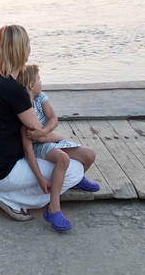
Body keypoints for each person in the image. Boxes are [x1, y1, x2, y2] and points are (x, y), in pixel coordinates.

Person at [0, 25, 83, 231]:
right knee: (74, 170)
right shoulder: (15, 90)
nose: (30, 47)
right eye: (28, 44)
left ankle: (4, 191)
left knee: (56, 166)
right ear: (20, 50)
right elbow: (40, 135)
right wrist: (58, 134)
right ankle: (12, 199)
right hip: (5, 172)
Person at [16, 64, 99, 205]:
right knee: (62, 157)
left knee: (89, 155)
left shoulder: (40, 97)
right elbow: (28, 147)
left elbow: (53, 119)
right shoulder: (23, 108)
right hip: (38, 146)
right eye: (39, 79)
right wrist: (39, 177)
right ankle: (54, 205)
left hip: (50, 138)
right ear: (31, 85)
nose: (41, 82)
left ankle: (76, 180)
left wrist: (44, 131)